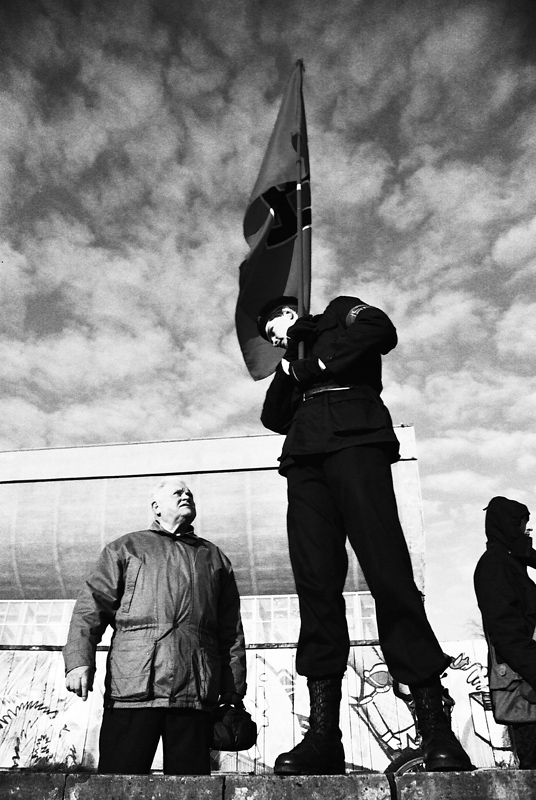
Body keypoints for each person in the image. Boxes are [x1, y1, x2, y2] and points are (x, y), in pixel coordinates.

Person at [259, 294, 473, 775]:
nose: (275, 336)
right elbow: (273, 417)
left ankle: (434, 725)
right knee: (316, 586)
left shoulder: (339, 314)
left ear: (292, 312)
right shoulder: (290, 361)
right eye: (270, 336)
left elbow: (380, 329)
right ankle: (323, 735)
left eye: (277, 325)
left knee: (388, 573)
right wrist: (290, 364)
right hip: (305, 460)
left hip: (355, 438)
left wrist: (316, 362)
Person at [63, 477, 246, 775]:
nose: (186, 496)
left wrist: (233, 688)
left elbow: (230, 631)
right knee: (118, 784)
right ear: (156, 507)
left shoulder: (214, 558)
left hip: (194, 692)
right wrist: (78, 661)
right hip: (133, 688)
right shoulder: (126, 548)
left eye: (190, 493)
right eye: (178, 493)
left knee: (191, 789)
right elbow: (90, 608)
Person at [474, 495, 536, 769]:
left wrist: (529, 556)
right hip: (523, 683)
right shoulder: (495, 566)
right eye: (523, 526)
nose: (527, 533)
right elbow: (505, 632)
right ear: (510, 526)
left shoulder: (511, 564)